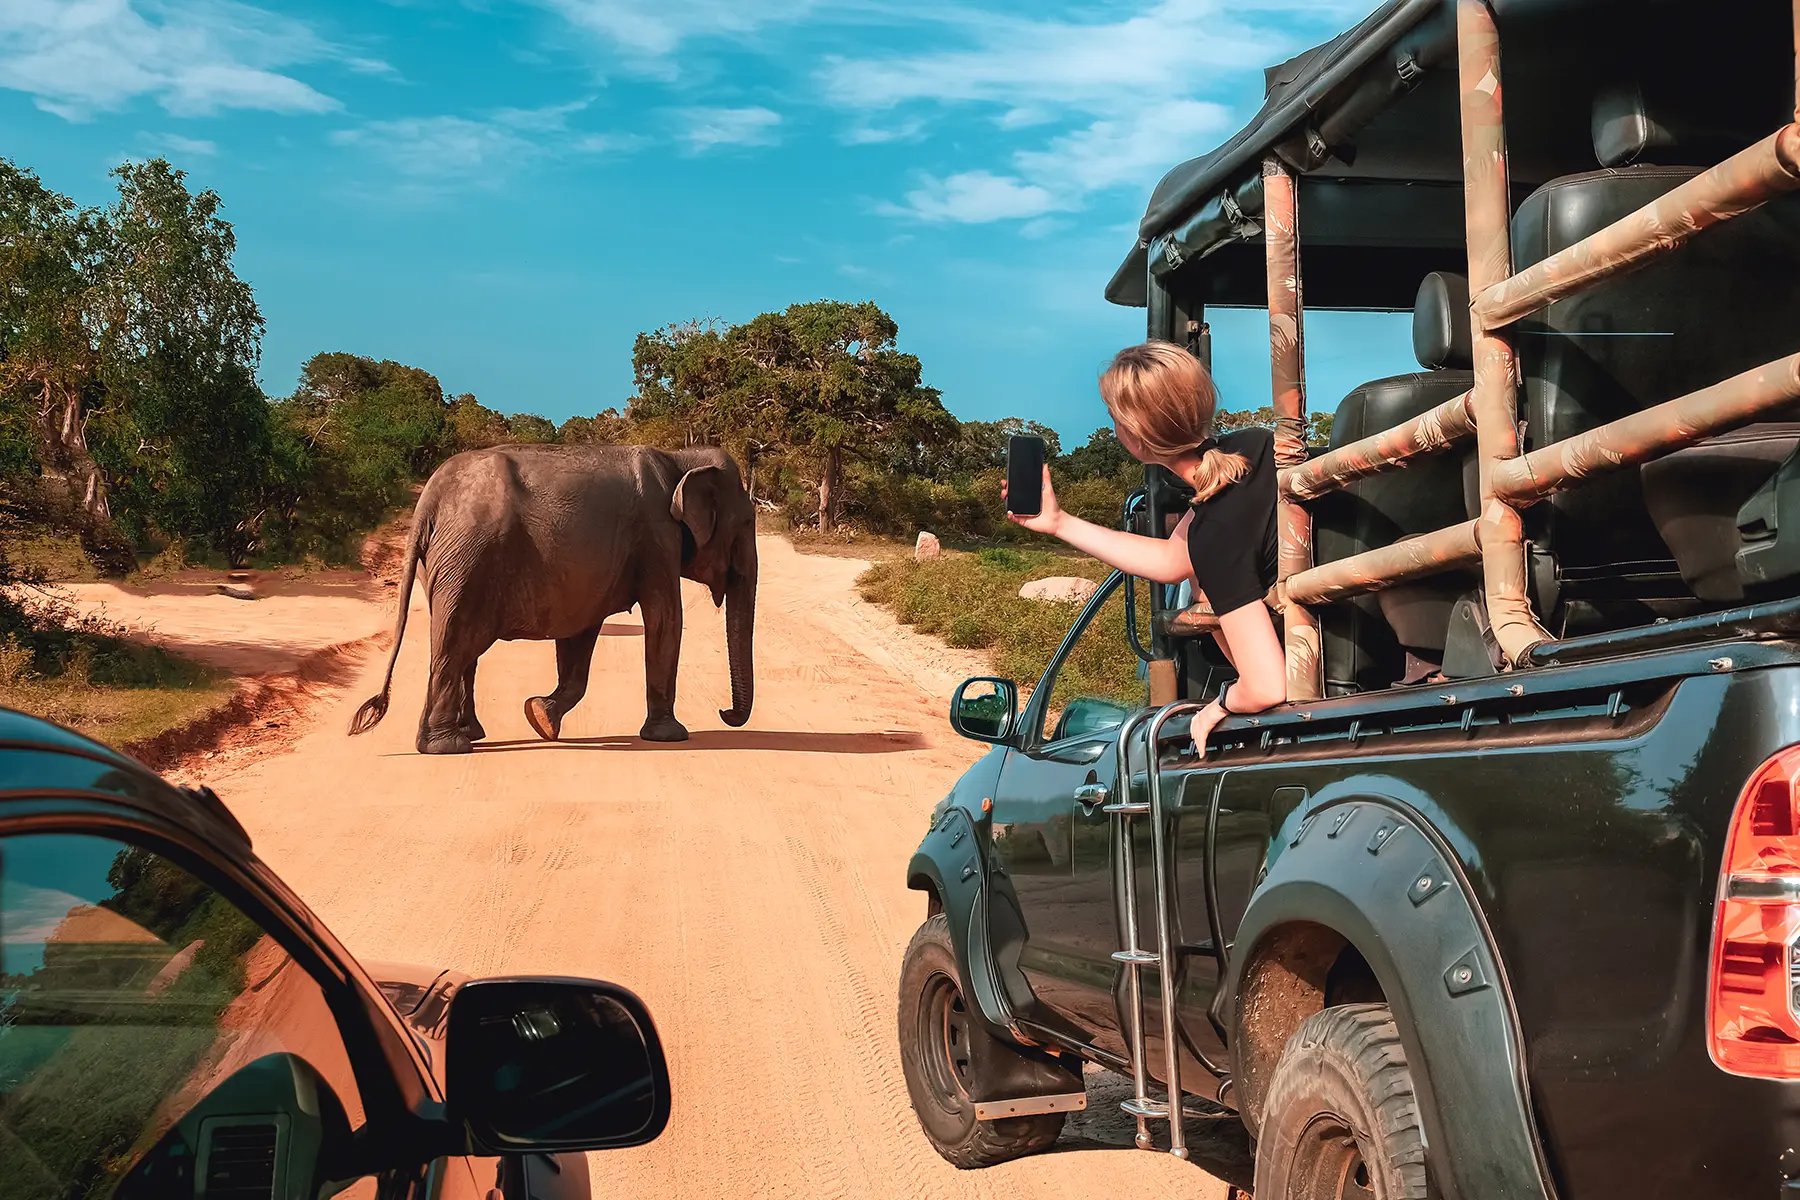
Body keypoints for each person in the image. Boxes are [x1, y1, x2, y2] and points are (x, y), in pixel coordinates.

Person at [1004, 340, 1286, 754]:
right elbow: (1172, 559)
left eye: (1114, 418)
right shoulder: (1259, 445)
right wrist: (1059, 522)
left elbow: (1266, 685)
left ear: (1136, 437)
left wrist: (1220, 705)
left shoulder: (1215, 532)